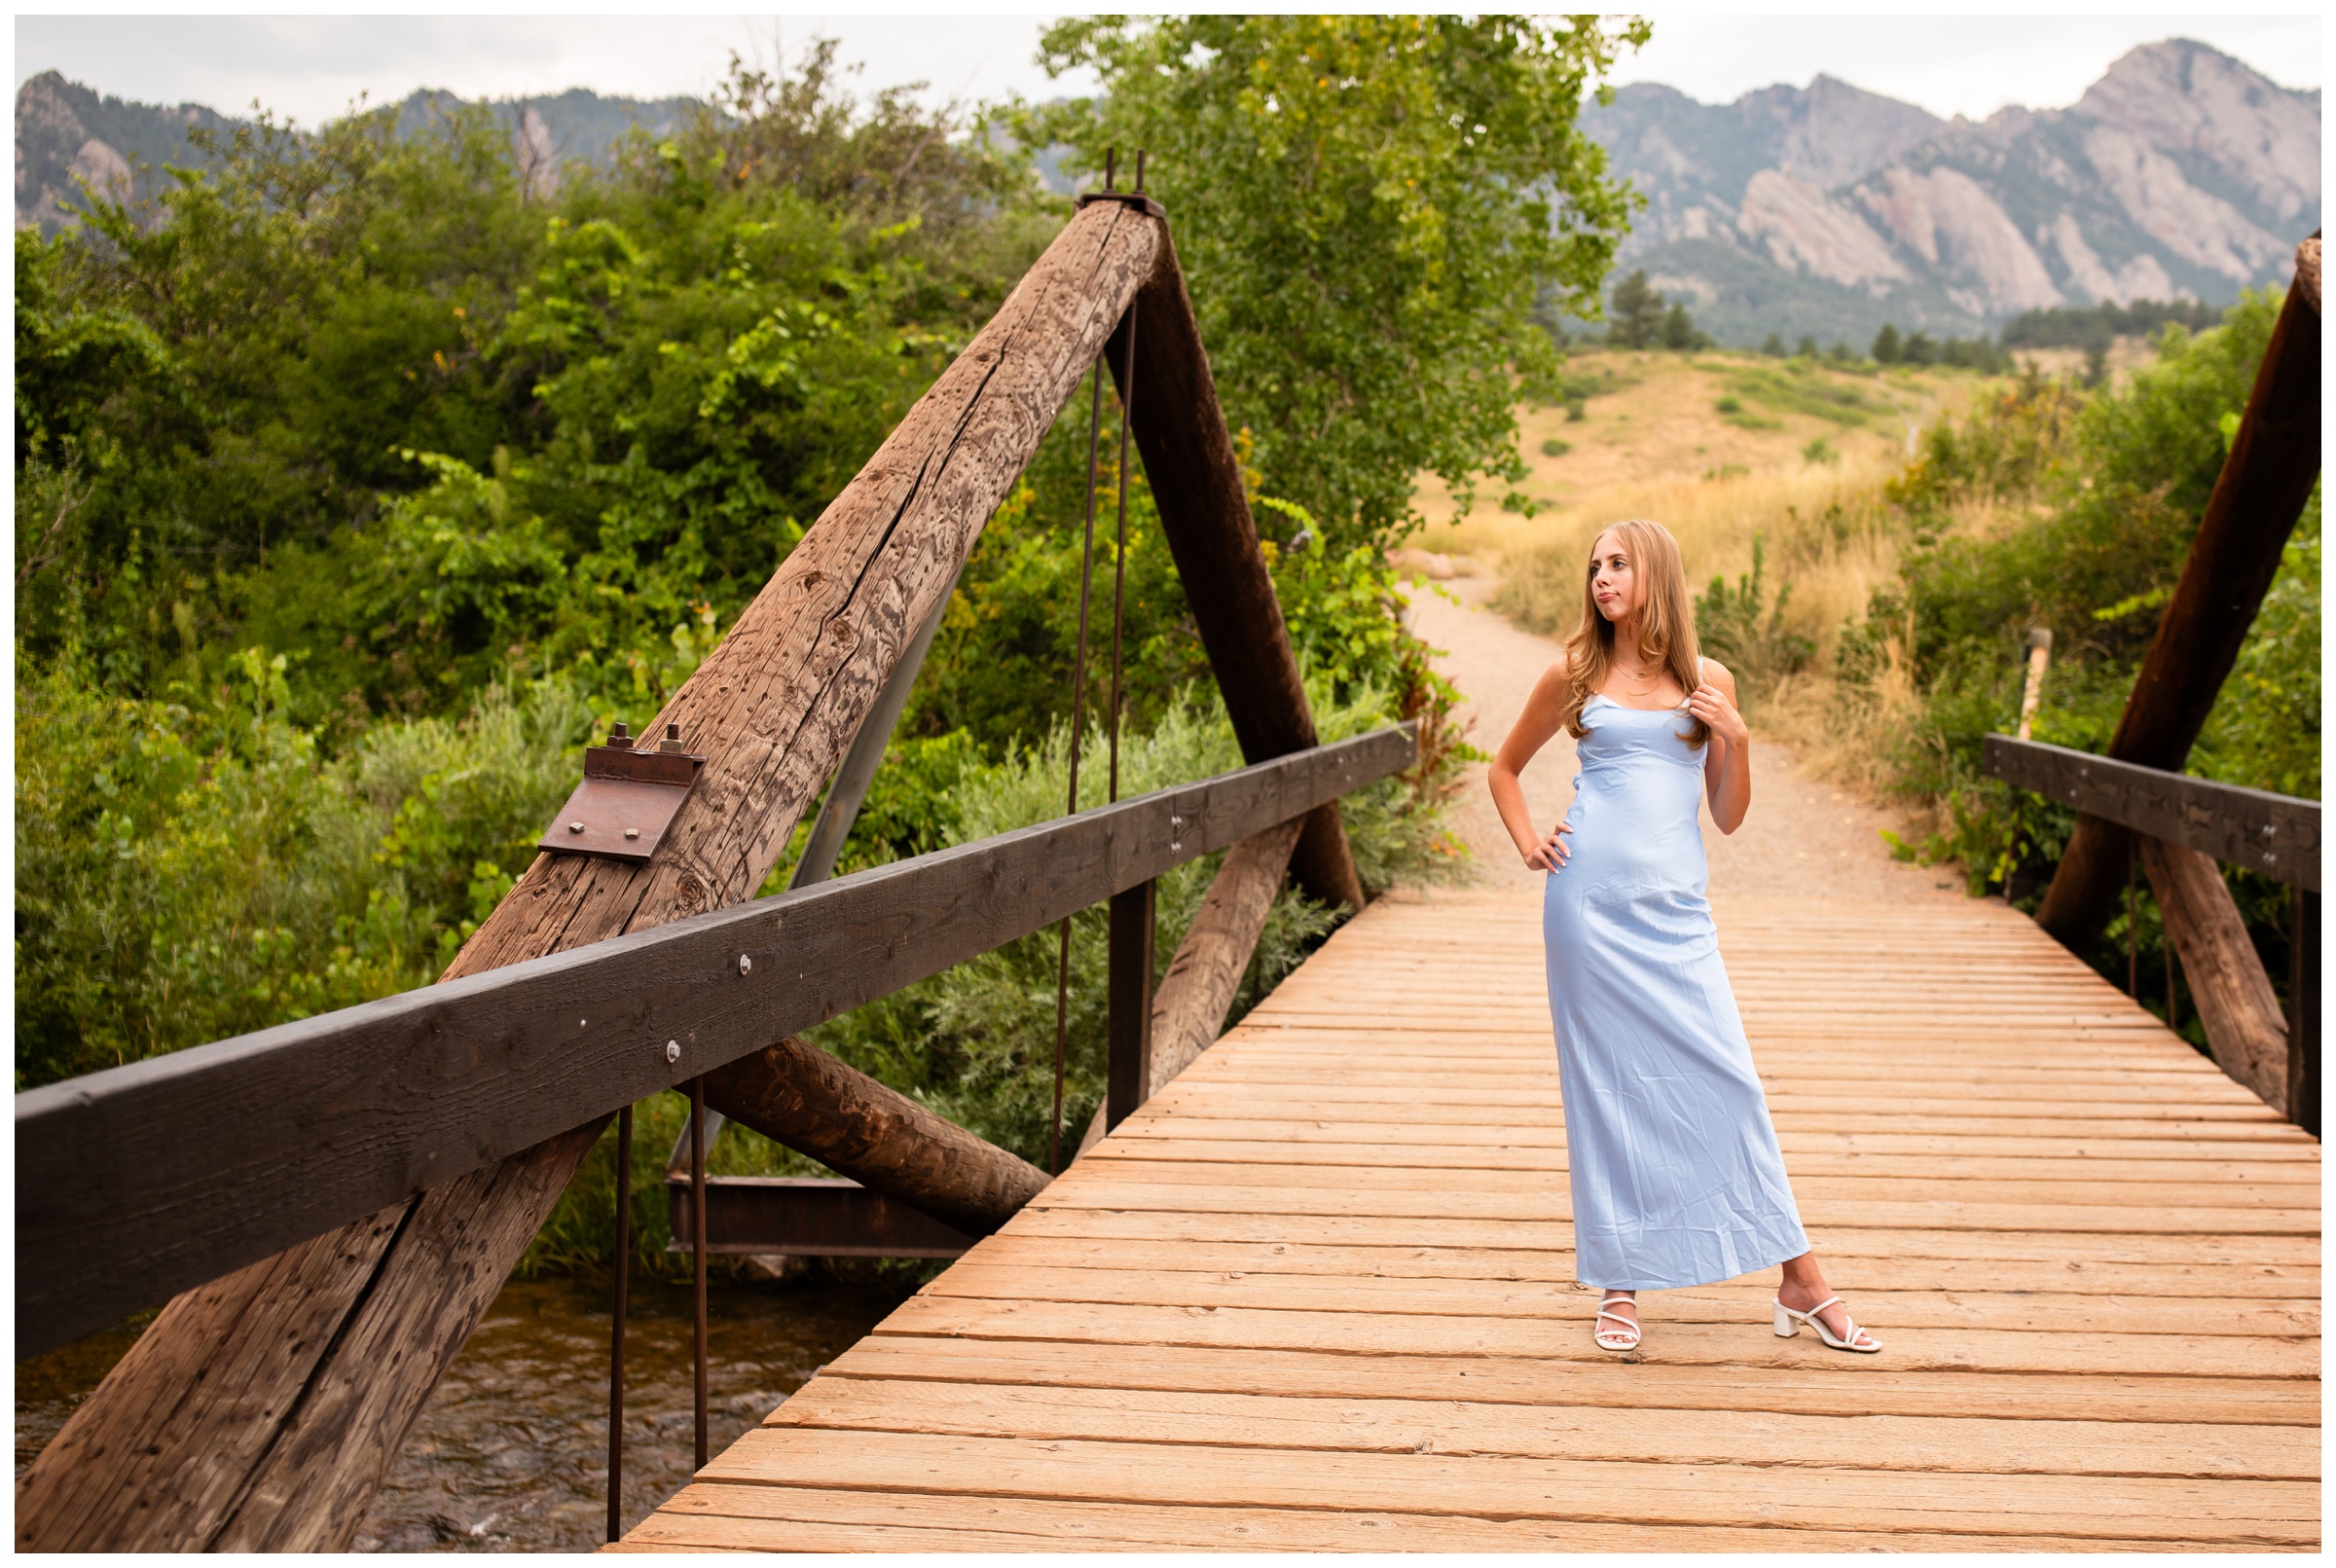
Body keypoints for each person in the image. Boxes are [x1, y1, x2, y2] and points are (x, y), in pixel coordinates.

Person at [1487, 518, 1880, 1355]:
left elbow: (1729, 818)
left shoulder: (1710, 680)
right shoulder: (1574, 672)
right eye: (1595, 565)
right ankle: (1620, 1281)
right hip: (1586, 908)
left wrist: (1737, 738)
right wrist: (1530, 843)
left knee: (1730, 1081)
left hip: (1676, 915)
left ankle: (1797, 1279)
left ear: (1656, 572)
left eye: (1618, 563)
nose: (1601, 577)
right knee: (1609, 1090)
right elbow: (1503, 767)